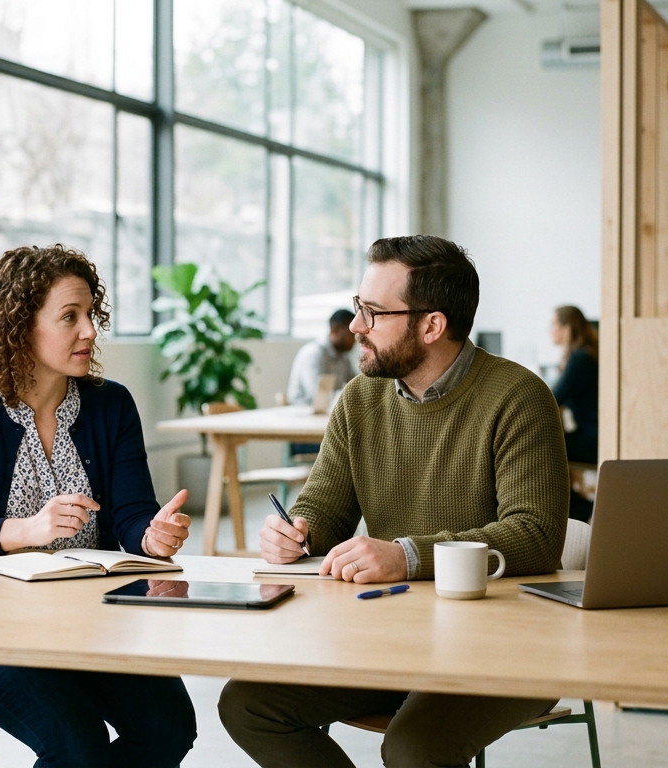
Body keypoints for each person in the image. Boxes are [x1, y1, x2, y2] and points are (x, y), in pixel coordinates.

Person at [217, 235, 569, 768]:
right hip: (390, 639)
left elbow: (536, 537)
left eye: (374, 312)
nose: (356, 325)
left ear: (431, 325)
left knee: (412, 749)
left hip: (504, 648)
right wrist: (294, 534)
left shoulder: (519, 397)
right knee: (247, 704)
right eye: (359, 308)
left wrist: (405, 554)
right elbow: (324, 510)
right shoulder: (359, 399)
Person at [0, 244, 197, 768]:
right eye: (70, 317)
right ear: (19, 326)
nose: (89, 330)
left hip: (97, 619)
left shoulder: (111, 405)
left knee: (169, 727)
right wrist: (24, 531)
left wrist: (151, 536)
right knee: (74, 743)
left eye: (91, 315)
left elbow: (132, 513)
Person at [550, 305, 598, 523]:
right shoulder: (586, 354)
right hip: (591, 434)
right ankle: (576, 511)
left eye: (554, 325)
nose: (550, 330)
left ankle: (574, 512)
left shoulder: (580, 359)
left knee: (546, 448)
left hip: (592, 439)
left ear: (567, 328)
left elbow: (552, 398)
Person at [285, 309, 357, 406]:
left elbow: (355, 385)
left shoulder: (343, 356)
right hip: (302, 412)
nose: (356, 340)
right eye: (352, 334)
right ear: (335, 329)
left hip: (326, 412)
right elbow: (319, 396)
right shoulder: (313, 354)